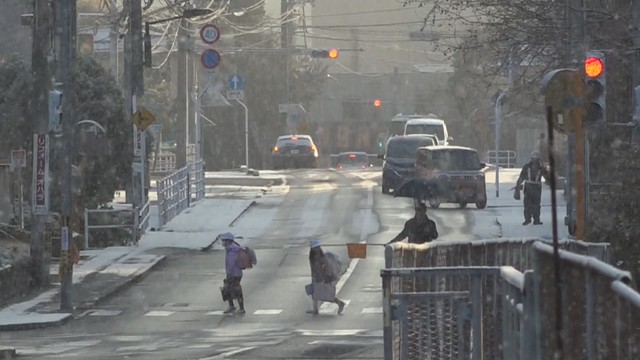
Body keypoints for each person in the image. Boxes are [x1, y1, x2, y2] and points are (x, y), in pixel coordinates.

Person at [307, 240, 346, 315]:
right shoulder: (312, 257)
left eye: (317, 248)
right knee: (315, 294)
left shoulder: (322, 257)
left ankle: (340, 303)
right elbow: (313, 268)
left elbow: (327, 268)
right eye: (315, 248)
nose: (316, 250)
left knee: (328, 295)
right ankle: (315, 310)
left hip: (324, 279)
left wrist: (325, 279)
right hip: (316, 278)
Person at [516, 151, 550, 225]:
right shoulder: (540, 168)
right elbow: (548, 178)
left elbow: (521, 178)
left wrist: (517, 187)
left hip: (530, 187)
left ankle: (529, 219)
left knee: (530, 204)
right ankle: (535, 219)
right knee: (535, 204)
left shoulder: (528, 167)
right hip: (535, 187)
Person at [221, 232, 245, 314]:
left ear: (228, 241)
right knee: (230, 289)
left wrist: (229, 274)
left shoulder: (232, 250)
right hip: (236, 273)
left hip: (234, 274)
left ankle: (239, 308)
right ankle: (234, 306)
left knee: (232, 290)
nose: (222, 242)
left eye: (224, 240)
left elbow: (231, 263)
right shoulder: (232, 248)